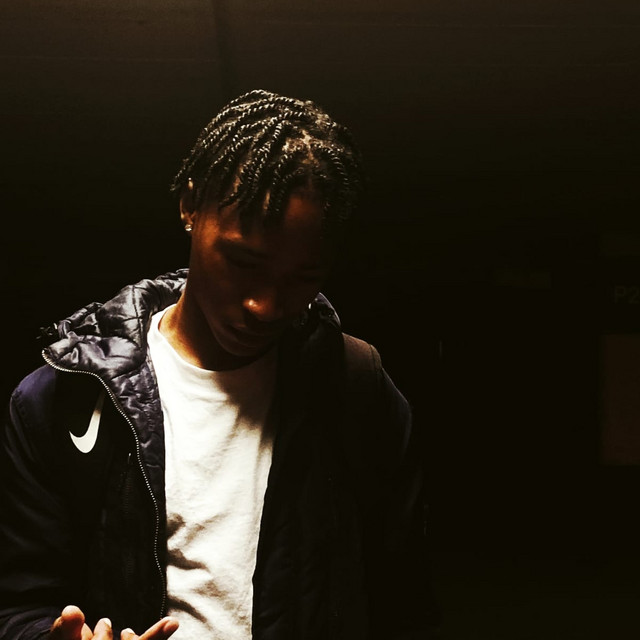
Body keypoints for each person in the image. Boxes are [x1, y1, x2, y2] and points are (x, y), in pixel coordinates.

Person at [0, 89, 439, 639]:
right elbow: (18, 605)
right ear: (191, 206)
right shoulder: (61, 398)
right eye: (243, 261)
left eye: (302, 278)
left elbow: (404, 605)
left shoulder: (357, 389)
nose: (265, 305)